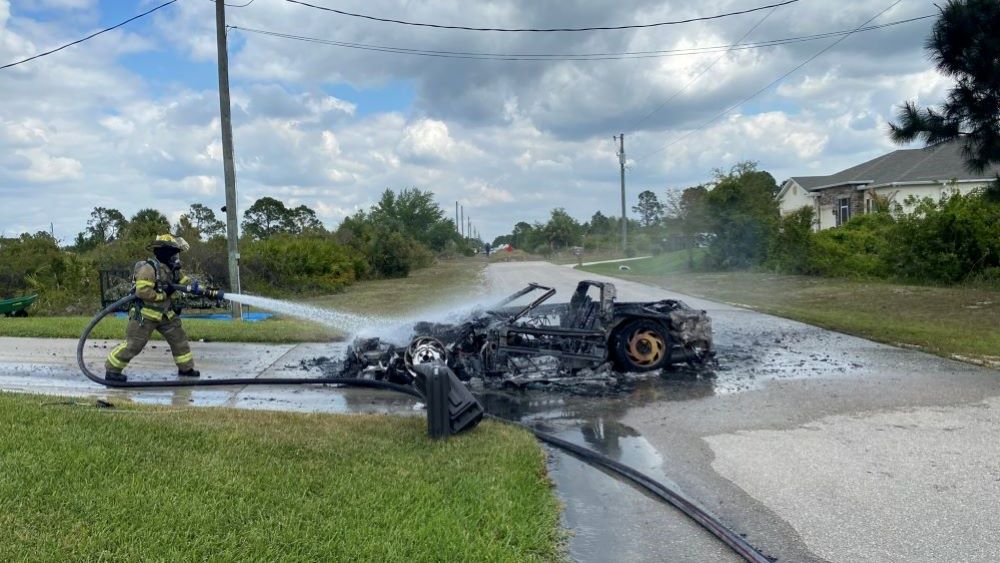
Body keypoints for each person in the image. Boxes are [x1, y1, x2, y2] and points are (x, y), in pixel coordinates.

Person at [105, 234, 205, 382]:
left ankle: (186, 369)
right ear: (163, 252)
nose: (174, 257)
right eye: (172, 253)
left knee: (179, 340)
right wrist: (164, 295)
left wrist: (198, 288)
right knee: (134, 344)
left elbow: (184, 283)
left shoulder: (172, 269)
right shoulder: (148, 269)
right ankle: (112, 371)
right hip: (145, 314)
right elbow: (143, 292)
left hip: (166, 314)